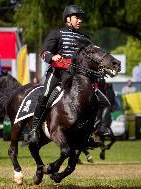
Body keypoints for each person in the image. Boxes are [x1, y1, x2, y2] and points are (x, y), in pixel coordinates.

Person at [27, 5, 89, 143]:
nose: (80, 20)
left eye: (81, 18)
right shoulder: (56, 33)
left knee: (96, 98)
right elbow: (44, 53)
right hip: (58, 73)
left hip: (77, 76)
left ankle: (90, 131)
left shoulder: (85, 37)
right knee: (44, 96)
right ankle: (34, 130)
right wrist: (52, 57)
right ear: (68, 19)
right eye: (77, 17)